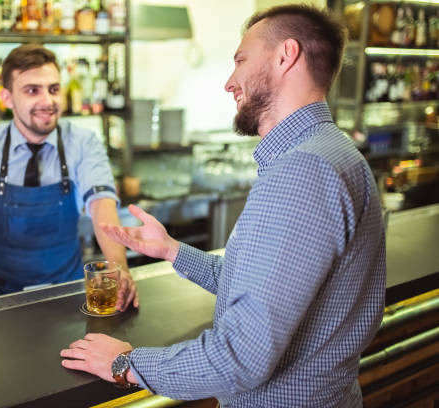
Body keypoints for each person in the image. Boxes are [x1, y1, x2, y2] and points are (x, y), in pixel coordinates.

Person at [60, 5, 386, 407]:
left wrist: (126, 363)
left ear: (286, 55)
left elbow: (240, 357)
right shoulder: (330, 152)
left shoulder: (304, 171)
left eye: (241, 61)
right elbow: (259, 284)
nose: (230, 82)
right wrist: (172, 250)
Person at [0, 44, 138, 311]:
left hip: (67, 293)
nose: (47, 101)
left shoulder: (84, 142)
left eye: (54, 89)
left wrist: (119, 270)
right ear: (7, 98)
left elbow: (102, 208)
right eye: (32, 90)